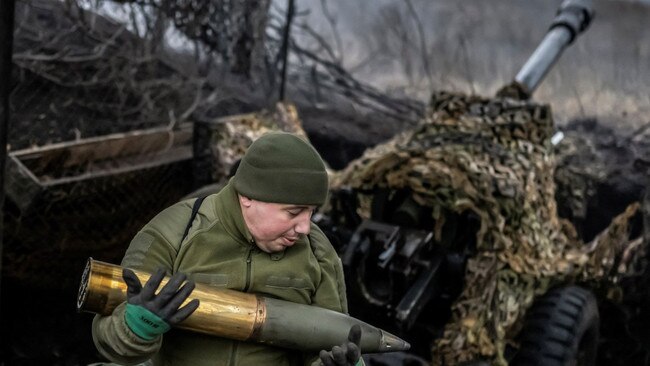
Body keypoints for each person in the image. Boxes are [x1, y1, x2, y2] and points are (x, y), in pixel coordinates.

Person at [92, 132, 363, 366]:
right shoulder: (173, 232)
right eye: (293, 213)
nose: (305, 227)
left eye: (311, 213)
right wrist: (138, 324)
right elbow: (110, 343)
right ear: (247, 197)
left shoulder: (317, 253)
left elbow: (330, 342)